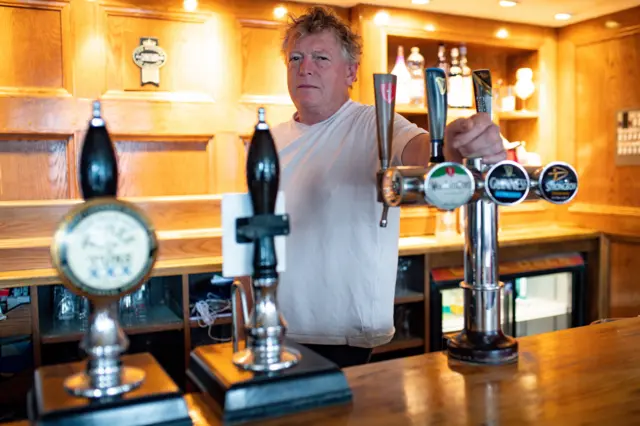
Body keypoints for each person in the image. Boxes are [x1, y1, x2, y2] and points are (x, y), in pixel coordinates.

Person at [270, 6, 506, 368]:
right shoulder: (270, 139)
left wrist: (458, 143)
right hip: (277, 328)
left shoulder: (374, 125)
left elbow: (428, 152)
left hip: (346, 333)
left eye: (321, 57)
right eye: (296, 58)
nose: (305, 68)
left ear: (350, 72)